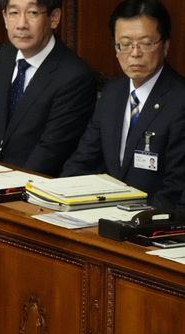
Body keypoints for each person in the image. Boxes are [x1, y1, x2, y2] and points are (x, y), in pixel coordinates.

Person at [62, 0, 185, 209]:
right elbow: (84, 159)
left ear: (165, 46)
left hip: (153, 223)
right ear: (116, 48)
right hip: (107, 216)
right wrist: (57, 196)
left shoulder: (179, 100)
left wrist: (135, 223)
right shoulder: (113, 93)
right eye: (125, 44)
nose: (135, 53)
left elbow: (176, 185)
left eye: (146, 43)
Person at [0, 0, 96, 177]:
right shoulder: (5, 56)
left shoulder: (73, 76)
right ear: (5, 18)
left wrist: (4, 187)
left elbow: (50, 151)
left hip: (33, 187)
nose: (21, 24)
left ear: (54, 18)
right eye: (14, 13)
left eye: (32, 13)